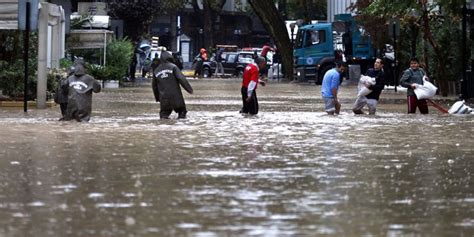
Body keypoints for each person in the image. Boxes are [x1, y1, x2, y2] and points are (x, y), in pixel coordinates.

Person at [152, 51, 193, 119]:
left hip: (164, 99)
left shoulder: (156, 71)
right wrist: (189, 89)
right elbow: (182, 79)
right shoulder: (173, 67)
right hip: (176, 97)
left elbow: (154, 87)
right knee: (182, 113)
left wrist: (157, 98)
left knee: (163, 116)